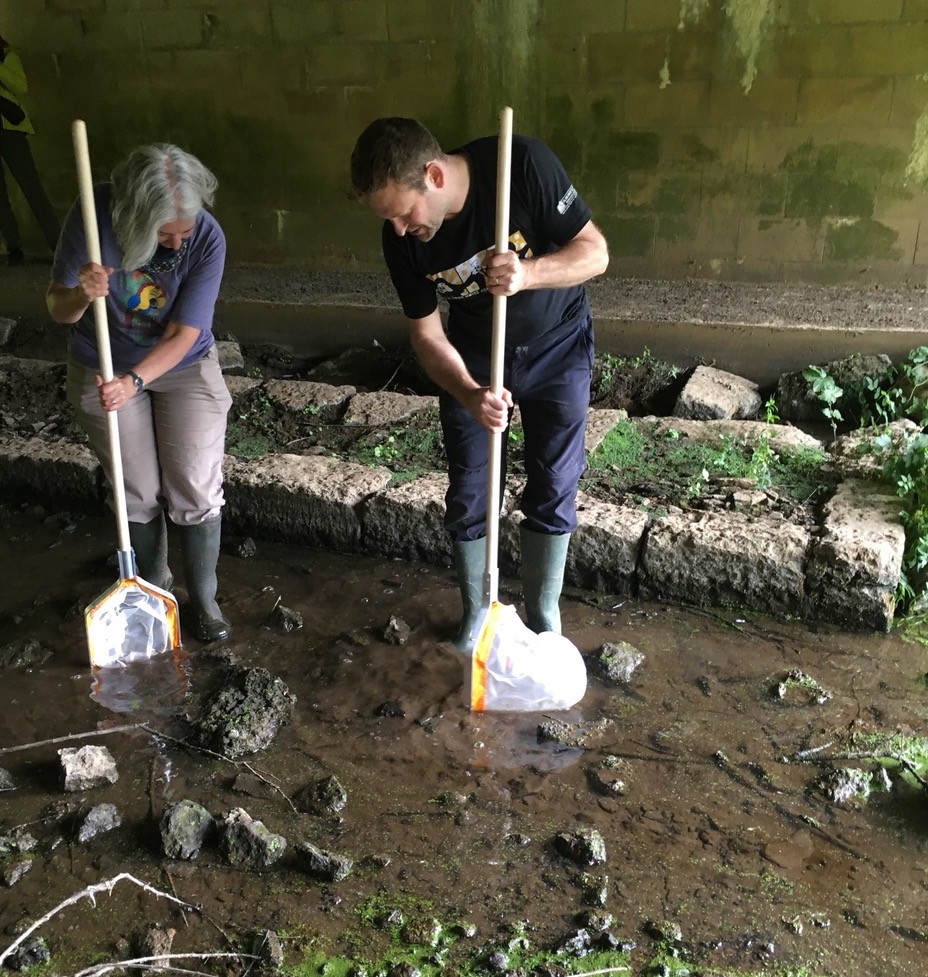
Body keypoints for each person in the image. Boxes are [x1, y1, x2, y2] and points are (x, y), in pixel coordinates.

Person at [350, 117, 608, 646]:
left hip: (558, 346)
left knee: (554, 482)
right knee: (470, 490)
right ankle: (477, 613)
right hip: (473, 357)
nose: (398, 229)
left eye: (403, 213)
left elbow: (595, 252)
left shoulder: (524, 167)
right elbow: (426, 335)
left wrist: (528, 274)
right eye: (388, 219)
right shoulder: (402, 240)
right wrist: (468, 391)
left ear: (434, 176)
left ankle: (543, 619)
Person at [46, 143, 233, 643]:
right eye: (164, 234)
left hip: (182, 364)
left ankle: (204, 598)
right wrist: (82, 293)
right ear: (133, 217)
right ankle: (153, 588)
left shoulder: (207, 237)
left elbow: (185, 333)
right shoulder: (93, 217)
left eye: (184, 232)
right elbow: (59, 310)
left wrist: (134, 382)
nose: (176, 243)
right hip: (103, 364)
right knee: (137, 490)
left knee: (195, 483)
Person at [0, 33, 59, 264]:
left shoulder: (8, 56)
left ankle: (57, 244)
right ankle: (13, 247)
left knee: (31, 187)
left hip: (10, 129)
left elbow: (20, 87)